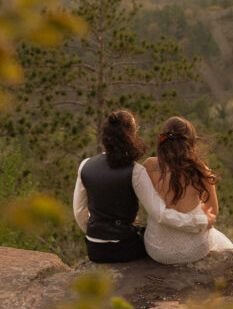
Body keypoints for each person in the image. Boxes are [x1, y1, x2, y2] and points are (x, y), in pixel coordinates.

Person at [72, 110, 213, 263]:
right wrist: (200, 222)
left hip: (95, 250)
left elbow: (79, 212)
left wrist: (97, 233)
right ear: (130, 135)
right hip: (125, 247)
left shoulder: (85, 165)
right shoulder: (135, 171)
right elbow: (160, 214)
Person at [143, 116, 233, 264]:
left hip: (158, 249)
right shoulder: (201, 171)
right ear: (191, 142)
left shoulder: (149, 165)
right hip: (195, 250)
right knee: (220, 240)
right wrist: (196, 214)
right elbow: (213, 212)